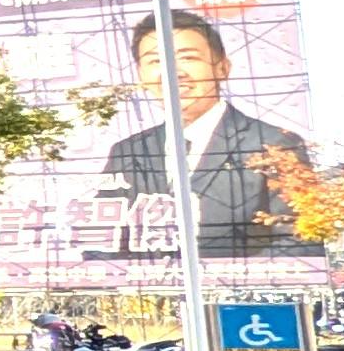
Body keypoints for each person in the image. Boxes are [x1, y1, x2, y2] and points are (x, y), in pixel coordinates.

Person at [102, 15, 311, 258]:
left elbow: (300, 241)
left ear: (223, 68)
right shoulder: (127, 151)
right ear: (141, 75)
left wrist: (224, 276)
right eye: (156, 60)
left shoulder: (275, 144)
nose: (173, 72)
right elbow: (102, 239)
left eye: (188, 58)